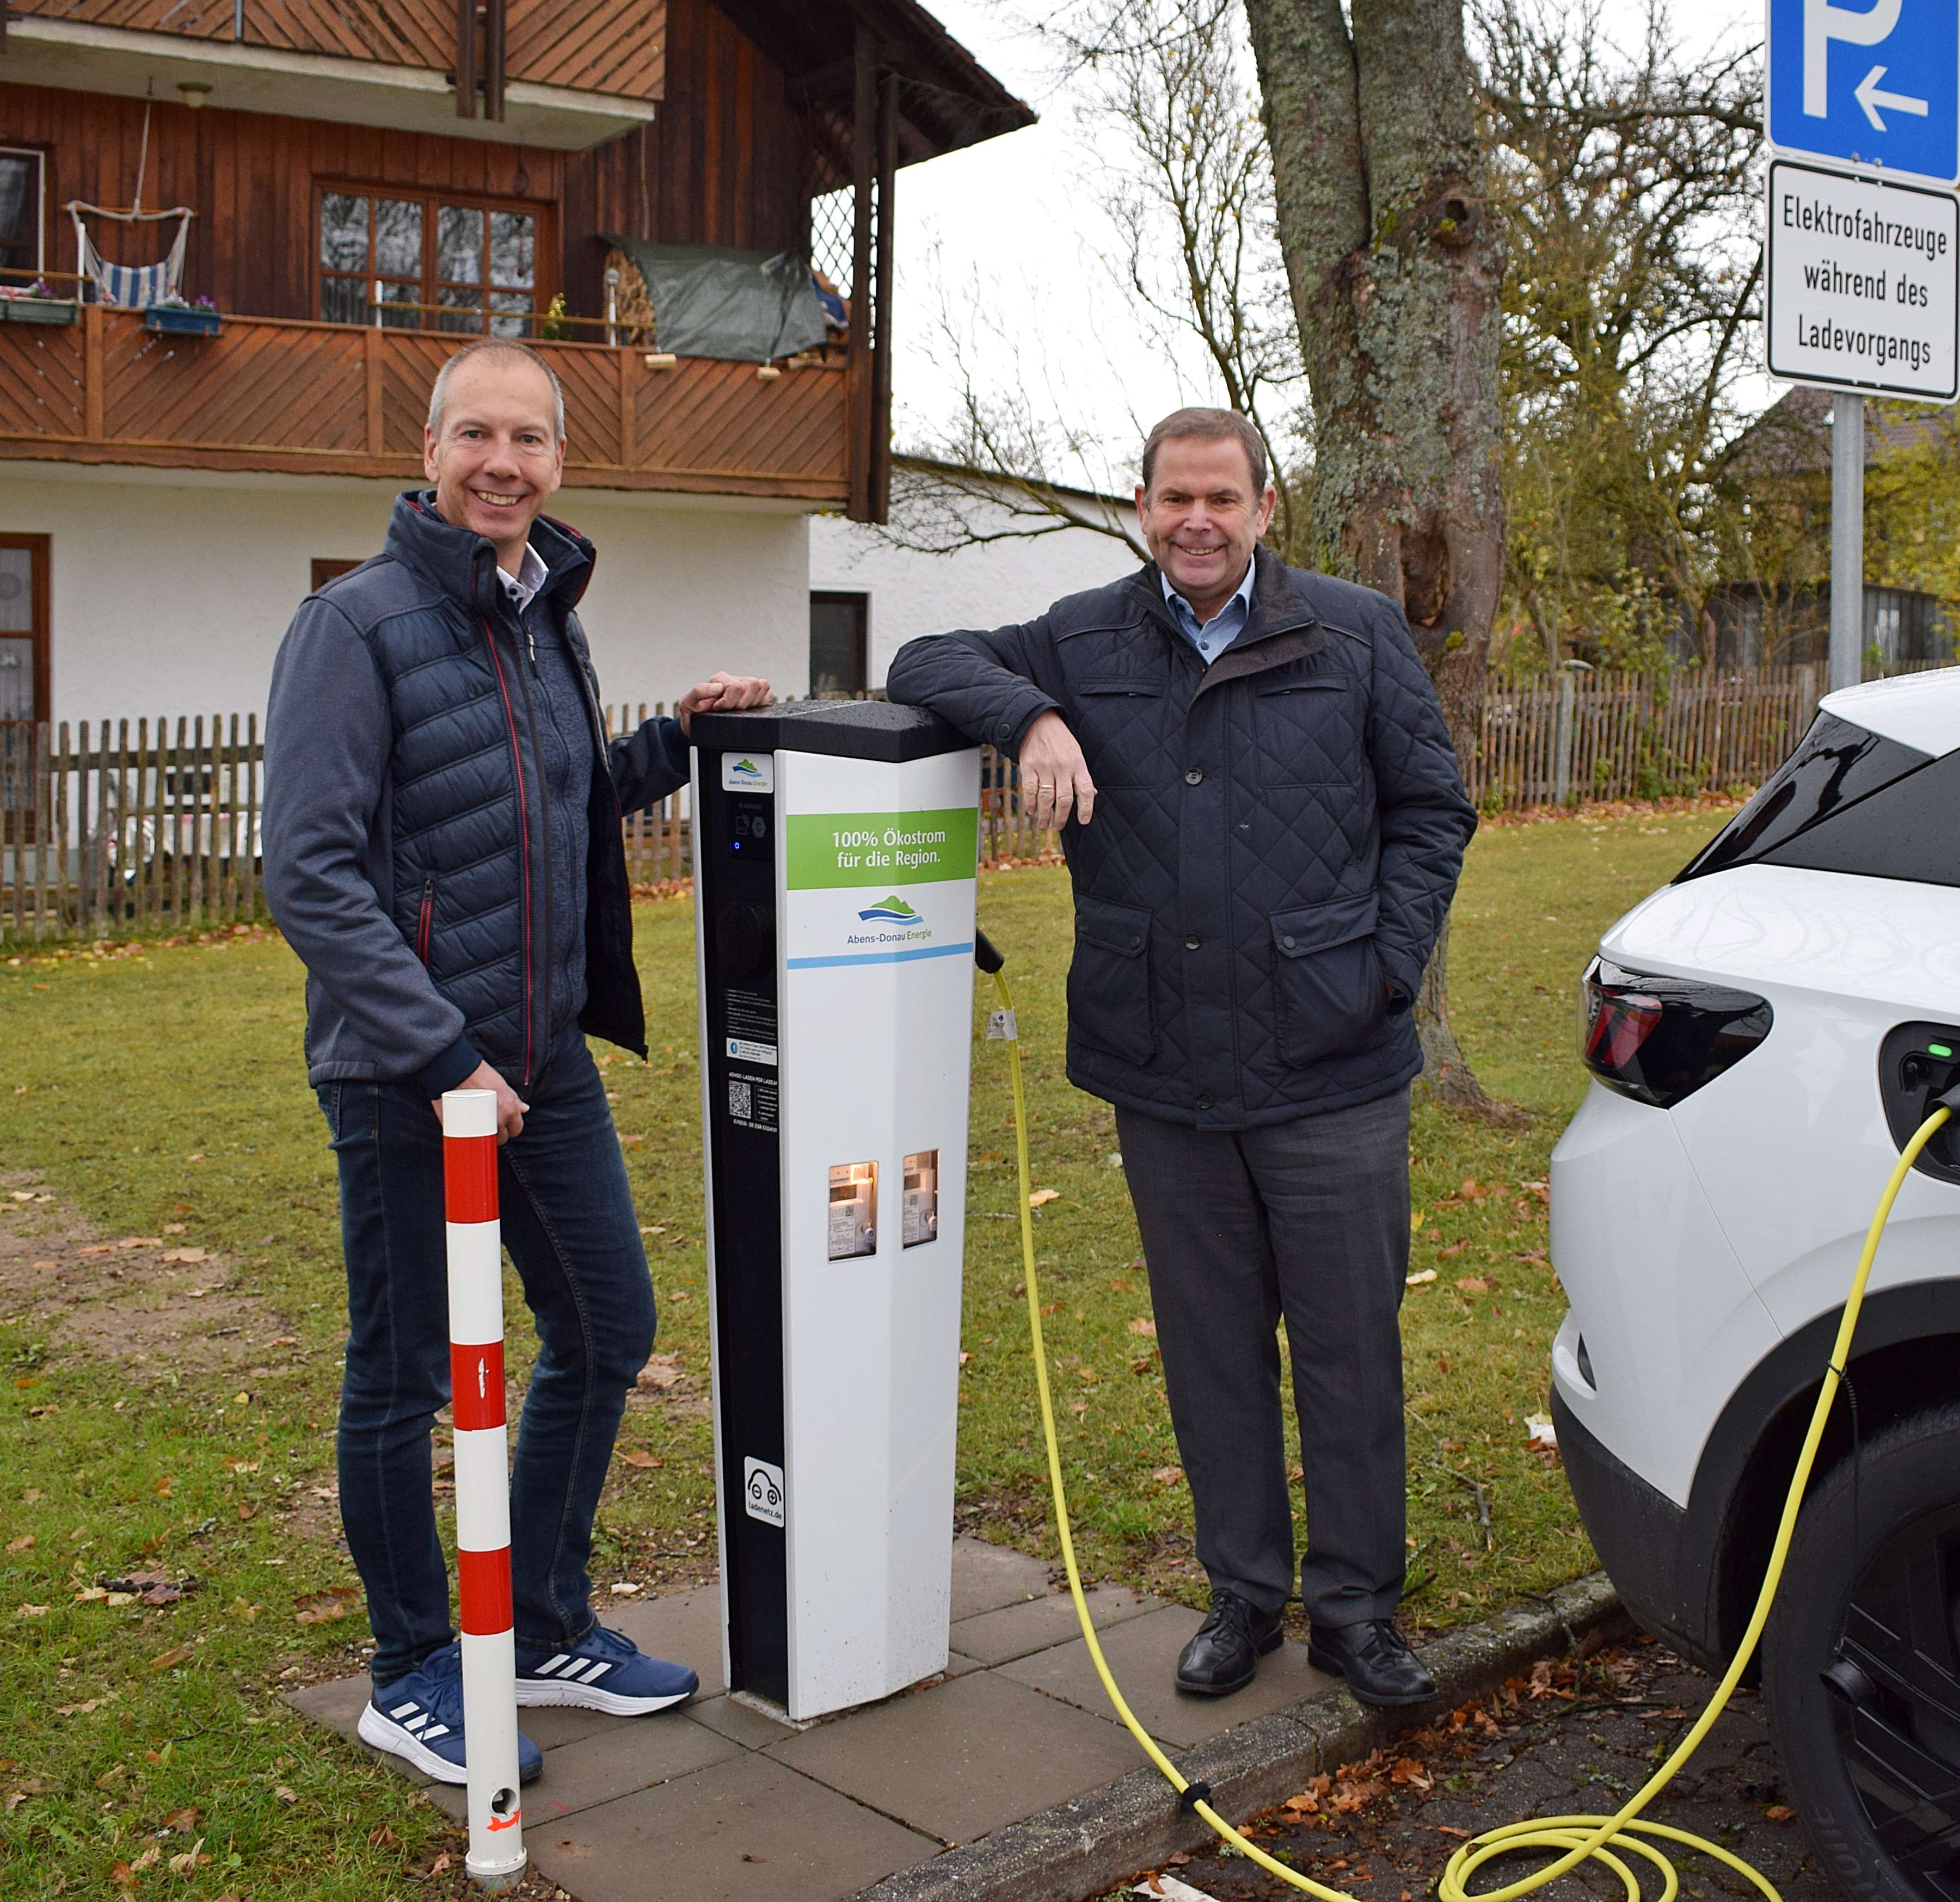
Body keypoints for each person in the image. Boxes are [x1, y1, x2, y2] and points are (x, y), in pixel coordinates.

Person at [887, 406, 1476, 1708]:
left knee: (1345, 1351)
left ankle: (1356, 1612)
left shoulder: (1352, 630)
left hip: (1332, 1059)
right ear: (1139, 506)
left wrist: (1382, 969)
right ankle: (1244, 1596)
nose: (1195, 522)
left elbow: (1434, 806)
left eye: (1222, 498)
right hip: (1164, 1058)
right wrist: (1032, 715)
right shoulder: (1084, 636)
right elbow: (920, 653)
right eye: (1172, 500)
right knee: (1210, 1348)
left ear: (1267, 506)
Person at [264, 339, 773, 1784]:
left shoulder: (540, 615)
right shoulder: (351, 627)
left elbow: (551, 803)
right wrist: (439, 1051)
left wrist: (673, 739)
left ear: (559, 460)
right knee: (403, 1372)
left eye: (530, 439)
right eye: (477, 434)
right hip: (404, 1070)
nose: (504, 461)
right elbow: (308, 871)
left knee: (608, 1323)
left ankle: (542, 1618)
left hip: (538, 1061)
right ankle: (410, 1662)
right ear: (428, 453)